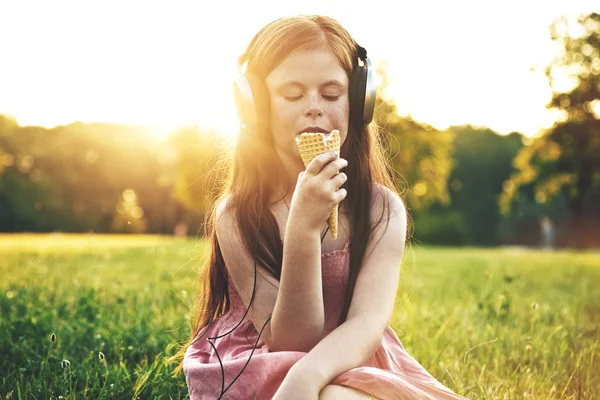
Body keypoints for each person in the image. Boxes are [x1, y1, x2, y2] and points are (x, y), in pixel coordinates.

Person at [171, 15, 467, 400]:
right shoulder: (238, 217)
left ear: (359, 102)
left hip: (348, 357)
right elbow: (294, 339)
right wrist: (303, 230)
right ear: (254, 107)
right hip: (265, 359)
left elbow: (366, 323)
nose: (313, 108)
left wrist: (308, 377)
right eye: (292, 95)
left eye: (331, 94)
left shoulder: (381, 211)